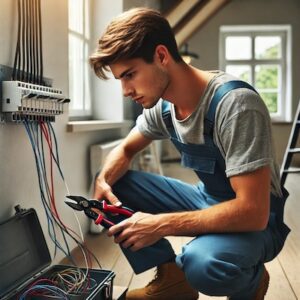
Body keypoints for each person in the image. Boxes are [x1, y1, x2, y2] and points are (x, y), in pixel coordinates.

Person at [89, 7, 290, 300]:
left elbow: (253, 212)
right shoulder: (163, 107)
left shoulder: (235, 105)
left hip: (258, 220)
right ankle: (173, 281)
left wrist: (160, 225)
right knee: (114, 186)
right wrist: (103, 181)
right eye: (120, 79)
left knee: (202, 265)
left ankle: (252, 281)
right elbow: (126, 148)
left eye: (130, 75)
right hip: (207, 199)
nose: (125, 90)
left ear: (161, 56)